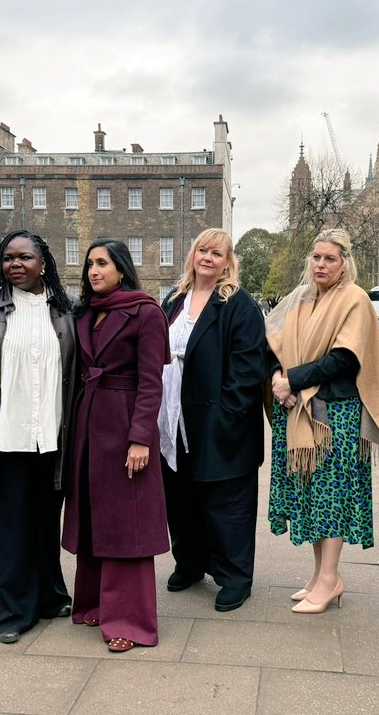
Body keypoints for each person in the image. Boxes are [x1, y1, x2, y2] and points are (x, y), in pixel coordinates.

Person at [0, 230, 75, 644]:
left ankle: (48, 597)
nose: (15, 264)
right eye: (7, 258)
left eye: (25, 258)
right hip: (2, 436)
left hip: (51, 436)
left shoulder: (64, 309)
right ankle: (7, 613)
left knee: (43, 522)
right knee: (5, 529)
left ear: (44, 263)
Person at [266, 228, 379, 614]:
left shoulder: (353, 299)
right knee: (308, 491)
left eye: (330, 259)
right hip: (296, 406)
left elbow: (345, 359)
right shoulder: (301, 298)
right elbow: (275, 341)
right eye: (317, 257)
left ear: (344, 264)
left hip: (335, 411)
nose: (321, 265)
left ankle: (330, 577)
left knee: (332, 494)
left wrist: (293, 380)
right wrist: (277, 376)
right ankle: (321, 574)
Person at [61, 238, 170, 652]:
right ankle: (93, 604)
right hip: (89, 423)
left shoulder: (146, 312)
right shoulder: (86, 312)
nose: (94, 271)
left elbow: (150, 382)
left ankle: (130, 620)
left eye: (102, 263)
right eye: (90, 264)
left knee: (128, 524)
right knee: (92, 517)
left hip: (125, 423)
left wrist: (140, 438)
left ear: (121, 268)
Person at [158, 228, 266, 612]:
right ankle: (189, 563)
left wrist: (228, 416)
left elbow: (249, 367)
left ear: (227, 263)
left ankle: (235, 576)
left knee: (226, 503)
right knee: (181, 497)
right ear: (192, 255)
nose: (207, 257)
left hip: (221, 422)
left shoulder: (238, 304)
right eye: (202, 250)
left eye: (216, 253)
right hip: (174, 417)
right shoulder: (174, 300)